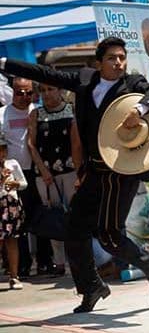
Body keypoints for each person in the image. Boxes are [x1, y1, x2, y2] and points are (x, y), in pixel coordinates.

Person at [0, 37, 149, 313]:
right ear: (98, 62)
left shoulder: (132, 84)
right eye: (112, 58)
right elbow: (45, 74)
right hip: (93, 171)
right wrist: (5, 63)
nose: (118, 62)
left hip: (120, 172)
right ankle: (91, 287)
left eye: (121, 57)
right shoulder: (84, 80)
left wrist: (139, 110)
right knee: (74, 230)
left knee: (110, 237)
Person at [27, 83, 82, 277]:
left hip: (71, 171)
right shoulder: (36, 114)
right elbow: (30, 144)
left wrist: (80, 172)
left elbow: (78, 142)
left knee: (75, 217)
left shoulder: (72, 110)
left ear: (59, 90)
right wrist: (43, 170)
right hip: (45, 176)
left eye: (50, 89)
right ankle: (59, 263)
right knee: (54, 218)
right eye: (42, 90)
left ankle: (78, 259)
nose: (47, 94)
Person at [0, 77, 49, 278]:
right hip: (11, 177)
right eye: (19, 92)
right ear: (13, 91)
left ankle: (46, 261)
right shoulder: (2, 114)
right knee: (15, 224)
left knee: (42, 218)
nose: (24, 97)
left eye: (28, 92)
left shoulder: (38, 111)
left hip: (36, 173)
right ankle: (21, 266)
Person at [0, 133, 27, 290]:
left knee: (12, 240)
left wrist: (16, 184)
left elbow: (24, 183)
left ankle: (14, 276)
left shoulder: (13, 164)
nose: (2, 153)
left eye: (4, 150)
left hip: (11, 205)